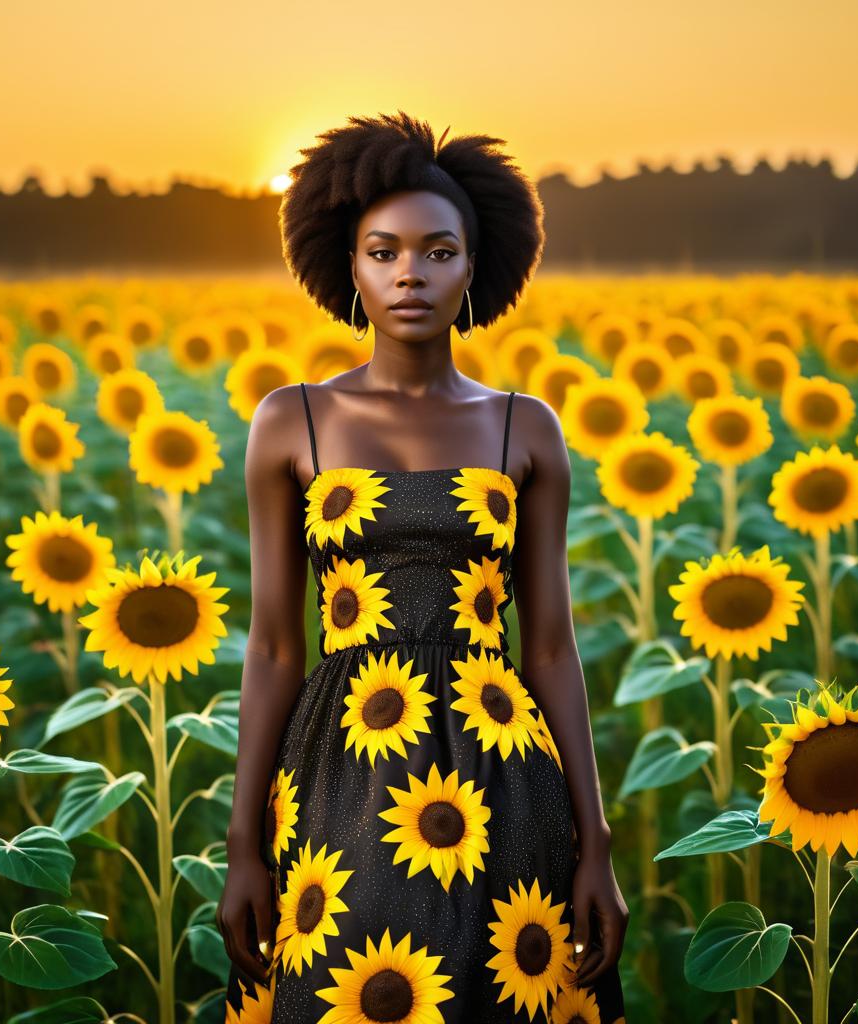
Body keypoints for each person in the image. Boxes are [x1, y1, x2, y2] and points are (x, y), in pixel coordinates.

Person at [217, 111, 627, 1022]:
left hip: (504, 769)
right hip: (337, 770)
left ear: (477, 267)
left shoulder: (528, 427)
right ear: (347, 265)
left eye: (438, 252)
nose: (410, 273)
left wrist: (592, 839)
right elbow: (277, 645)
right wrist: (244, 842)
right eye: (383, 251)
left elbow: (552, 649)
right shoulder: (292, 421)